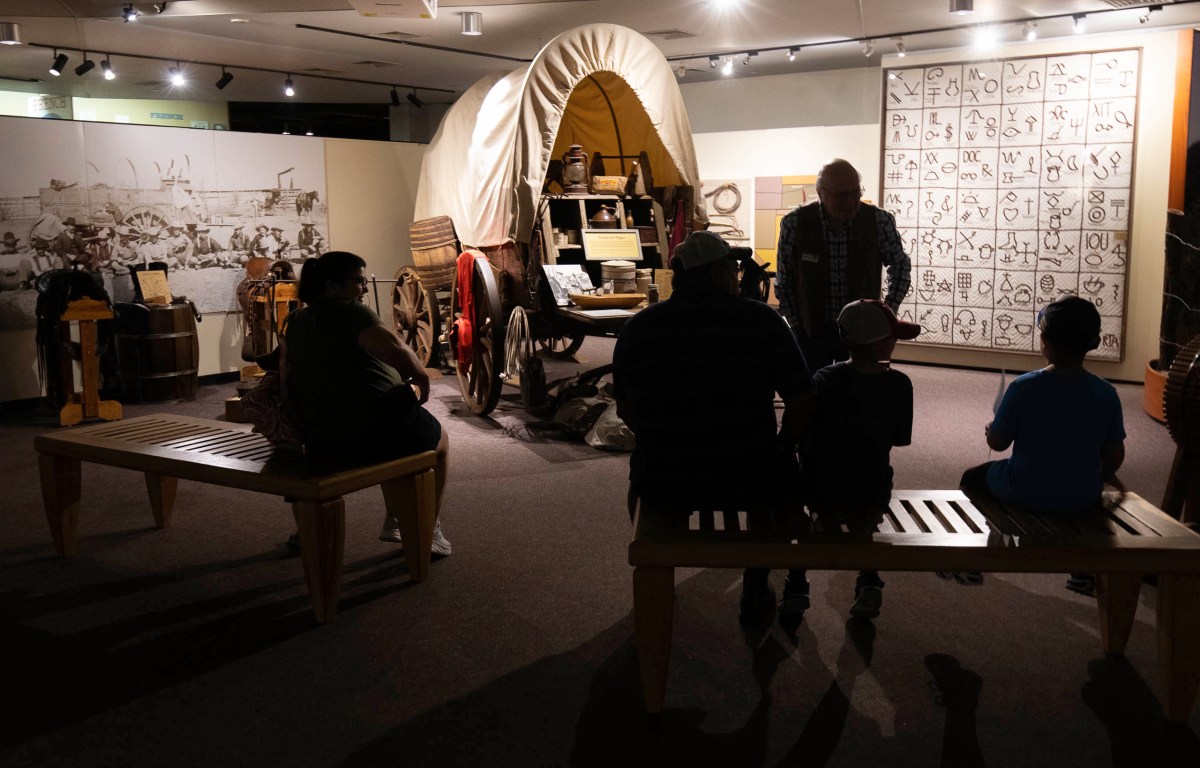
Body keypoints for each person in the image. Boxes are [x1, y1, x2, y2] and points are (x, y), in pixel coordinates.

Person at [613, 230, 814, 628]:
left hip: (667, 478)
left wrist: (666, 438)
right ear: (722, 272)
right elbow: (803, 402)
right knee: (782, 472)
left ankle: (660, 568)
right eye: (734, 271)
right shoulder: (763, 321)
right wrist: (781, 445)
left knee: (643, 471)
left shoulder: (641, 328)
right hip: (751, 472)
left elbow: (626, 409)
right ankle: (759, 574)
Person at [285, 250, 451, 555]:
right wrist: (422, 379)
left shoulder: (295, 320)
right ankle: (427, 526)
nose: (363, 288)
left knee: (400, 428)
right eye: (357, 282)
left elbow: (291, 374)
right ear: (333, 286)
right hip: (367, 430)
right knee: (437, 442)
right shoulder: (351, 312)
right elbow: (398, 351)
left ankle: (395, 520)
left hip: (321, 433)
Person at [957, 295, 1125, 594]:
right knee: (1088, 499)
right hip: (1080, 494)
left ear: (1044, 340)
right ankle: (1082, 571)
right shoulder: (1106, 393)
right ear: (1094, 342)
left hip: (1023, 488)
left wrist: (991, 430)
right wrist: (1098, 473)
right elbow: (1114, 454)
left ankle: (976, 558)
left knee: (973, 479)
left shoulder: (1024, 387)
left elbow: (998, 443)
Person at [792, 299, 921, 622]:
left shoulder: (824, 378)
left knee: (803, 502)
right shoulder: (899, 384)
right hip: (871, 486)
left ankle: (795, 581)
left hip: (819, 486)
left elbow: (804, 430)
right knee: (869, 510)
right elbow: (897, 439)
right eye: (892, 336)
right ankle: (868, 578)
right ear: (880, 343)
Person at [775, 158, 912, 372]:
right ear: (821, 193)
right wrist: (797, 326)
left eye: (855, 193)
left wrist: (886, 311)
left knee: (860, 397)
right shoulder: (795, 223)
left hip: (863, 332)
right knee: (814, 396)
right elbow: (784, 282)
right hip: (811, 332)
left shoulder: (879, 221)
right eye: (841, 195)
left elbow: (900, 266)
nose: (850, 202)